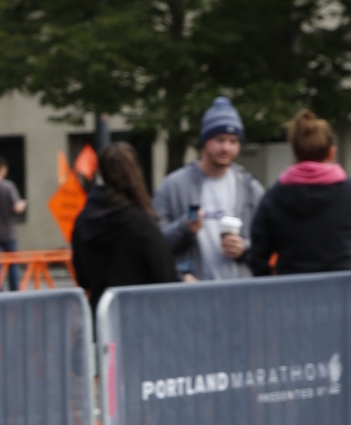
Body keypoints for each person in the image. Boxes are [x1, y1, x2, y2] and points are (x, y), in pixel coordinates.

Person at [245, 113, 351, 276]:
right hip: (343, 286)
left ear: (295, 154)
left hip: (293, 287)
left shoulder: (274, 196)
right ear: (331, 153)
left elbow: (258, 255)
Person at [153, 97, 263, 280]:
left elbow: (270, 243)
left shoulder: (250, 188)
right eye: (220, 140)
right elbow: (154, 246)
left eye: (233, 141)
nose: (226, 148)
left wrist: (244, 248)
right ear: (205, 141)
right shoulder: (173, 186)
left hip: (240, 291)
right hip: (194, 292)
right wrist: (185, 228)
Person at [70, 139, 178, 309]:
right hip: (139, 312)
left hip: (99, 312)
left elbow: (82, 278)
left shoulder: (83, 220)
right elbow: (165, 274)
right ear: (135, 173)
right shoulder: (140, 221)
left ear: (101, 172)